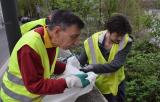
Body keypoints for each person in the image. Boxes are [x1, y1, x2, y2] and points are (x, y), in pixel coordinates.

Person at [0, 10, 90, 102]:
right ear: (57, 31)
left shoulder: (50, 40)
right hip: (14, 99)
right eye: (73, 36)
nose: (77, 42)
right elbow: (34, 85)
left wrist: (67, 68)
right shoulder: (29, 47)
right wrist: (69, 82)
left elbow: (45, 63)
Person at [79, 14, 133, 102]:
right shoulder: (91, 42)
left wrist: (92, 67)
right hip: (99, 85)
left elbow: (115, 65)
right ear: (109, 30)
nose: (120, 38)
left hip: (117, 84)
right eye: (118, 35)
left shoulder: (126, 41)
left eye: (122, 35)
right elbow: (80, 61)